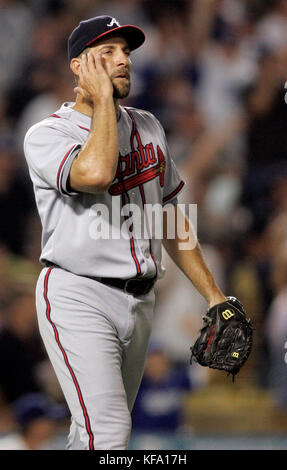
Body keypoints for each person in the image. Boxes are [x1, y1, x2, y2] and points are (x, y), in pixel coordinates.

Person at [24, 15, 227, 450]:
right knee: (111, 434)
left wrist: (214, 295)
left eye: (126, 53)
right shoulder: (47, 134)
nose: (122, 61)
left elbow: (171, 216)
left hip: (141, 302)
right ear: (78, 66)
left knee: (92, 437)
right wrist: (101, 103)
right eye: (108, 53)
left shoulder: (149, 125)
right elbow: (96, 172)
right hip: (78, 293)